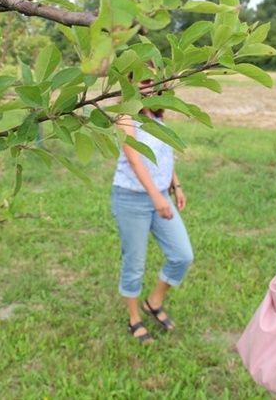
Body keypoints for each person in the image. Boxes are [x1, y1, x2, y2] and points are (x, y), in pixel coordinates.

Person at [111, 64, 194, 344]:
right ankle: (134, 318)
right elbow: (135, 159)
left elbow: (165, 155)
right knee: (134, 263)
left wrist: (175, 185)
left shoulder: (157, 118)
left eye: (152, 80)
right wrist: (157, 197)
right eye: (142, 80)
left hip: (161, 195)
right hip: (131, 197)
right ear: (130, 83)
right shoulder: (125, 116)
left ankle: (153, 302)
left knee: (182, 255)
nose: (148, 85)